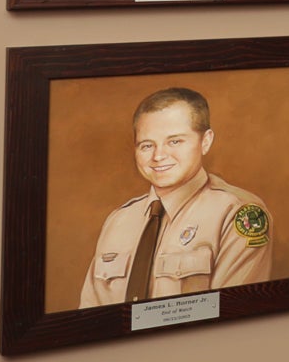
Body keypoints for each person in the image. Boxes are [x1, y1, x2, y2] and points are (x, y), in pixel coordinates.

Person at [80, 86, 272, 307]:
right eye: (147, 145)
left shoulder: (238, 213)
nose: (158, 156)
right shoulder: (118, 221)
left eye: (174, 141)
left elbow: (231, 311)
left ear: (206, 141)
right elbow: (91, 315)